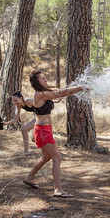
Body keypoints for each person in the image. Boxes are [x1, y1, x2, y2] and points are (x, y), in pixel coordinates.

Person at [22, 70, 85, 198]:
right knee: (57, 158)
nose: (45, 80)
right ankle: (57, 189)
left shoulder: (44, 94)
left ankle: (29, 177)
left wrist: (73, 90)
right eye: (42, 78)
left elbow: (61, 92)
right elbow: (62, 92)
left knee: (46, 157)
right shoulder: (41, 94)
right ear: (37, 82)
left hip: (44, 130)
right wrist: (82, 87)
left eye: (45, 78)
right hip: (42, 131)